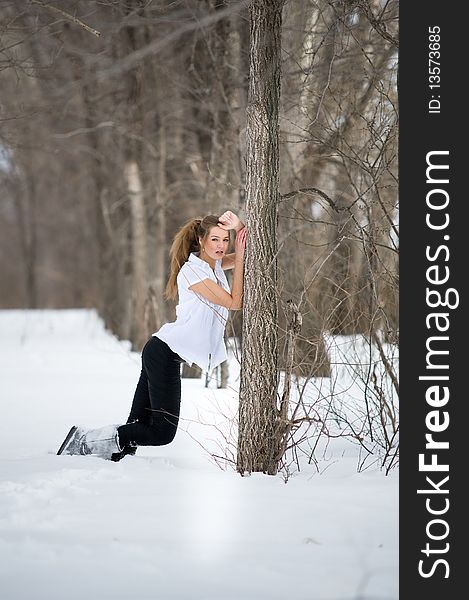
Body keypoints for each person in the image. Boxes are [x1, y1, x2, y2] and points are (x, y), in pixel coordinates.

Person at [57, 210, 247, 461]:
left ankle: (100, 455)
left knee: (135, 428)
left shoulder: (216, 265)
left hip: (162, 352)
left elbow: (253, 251)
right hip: (164, 354)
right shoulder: (194, 271)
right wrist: (241, 257)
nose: (222, 245)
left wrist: (241, 226)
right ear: (201, 240)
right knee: (161, 432)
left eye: (225, 239)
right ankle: (83, 441)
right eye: (215, 239)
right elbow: (234, 302)